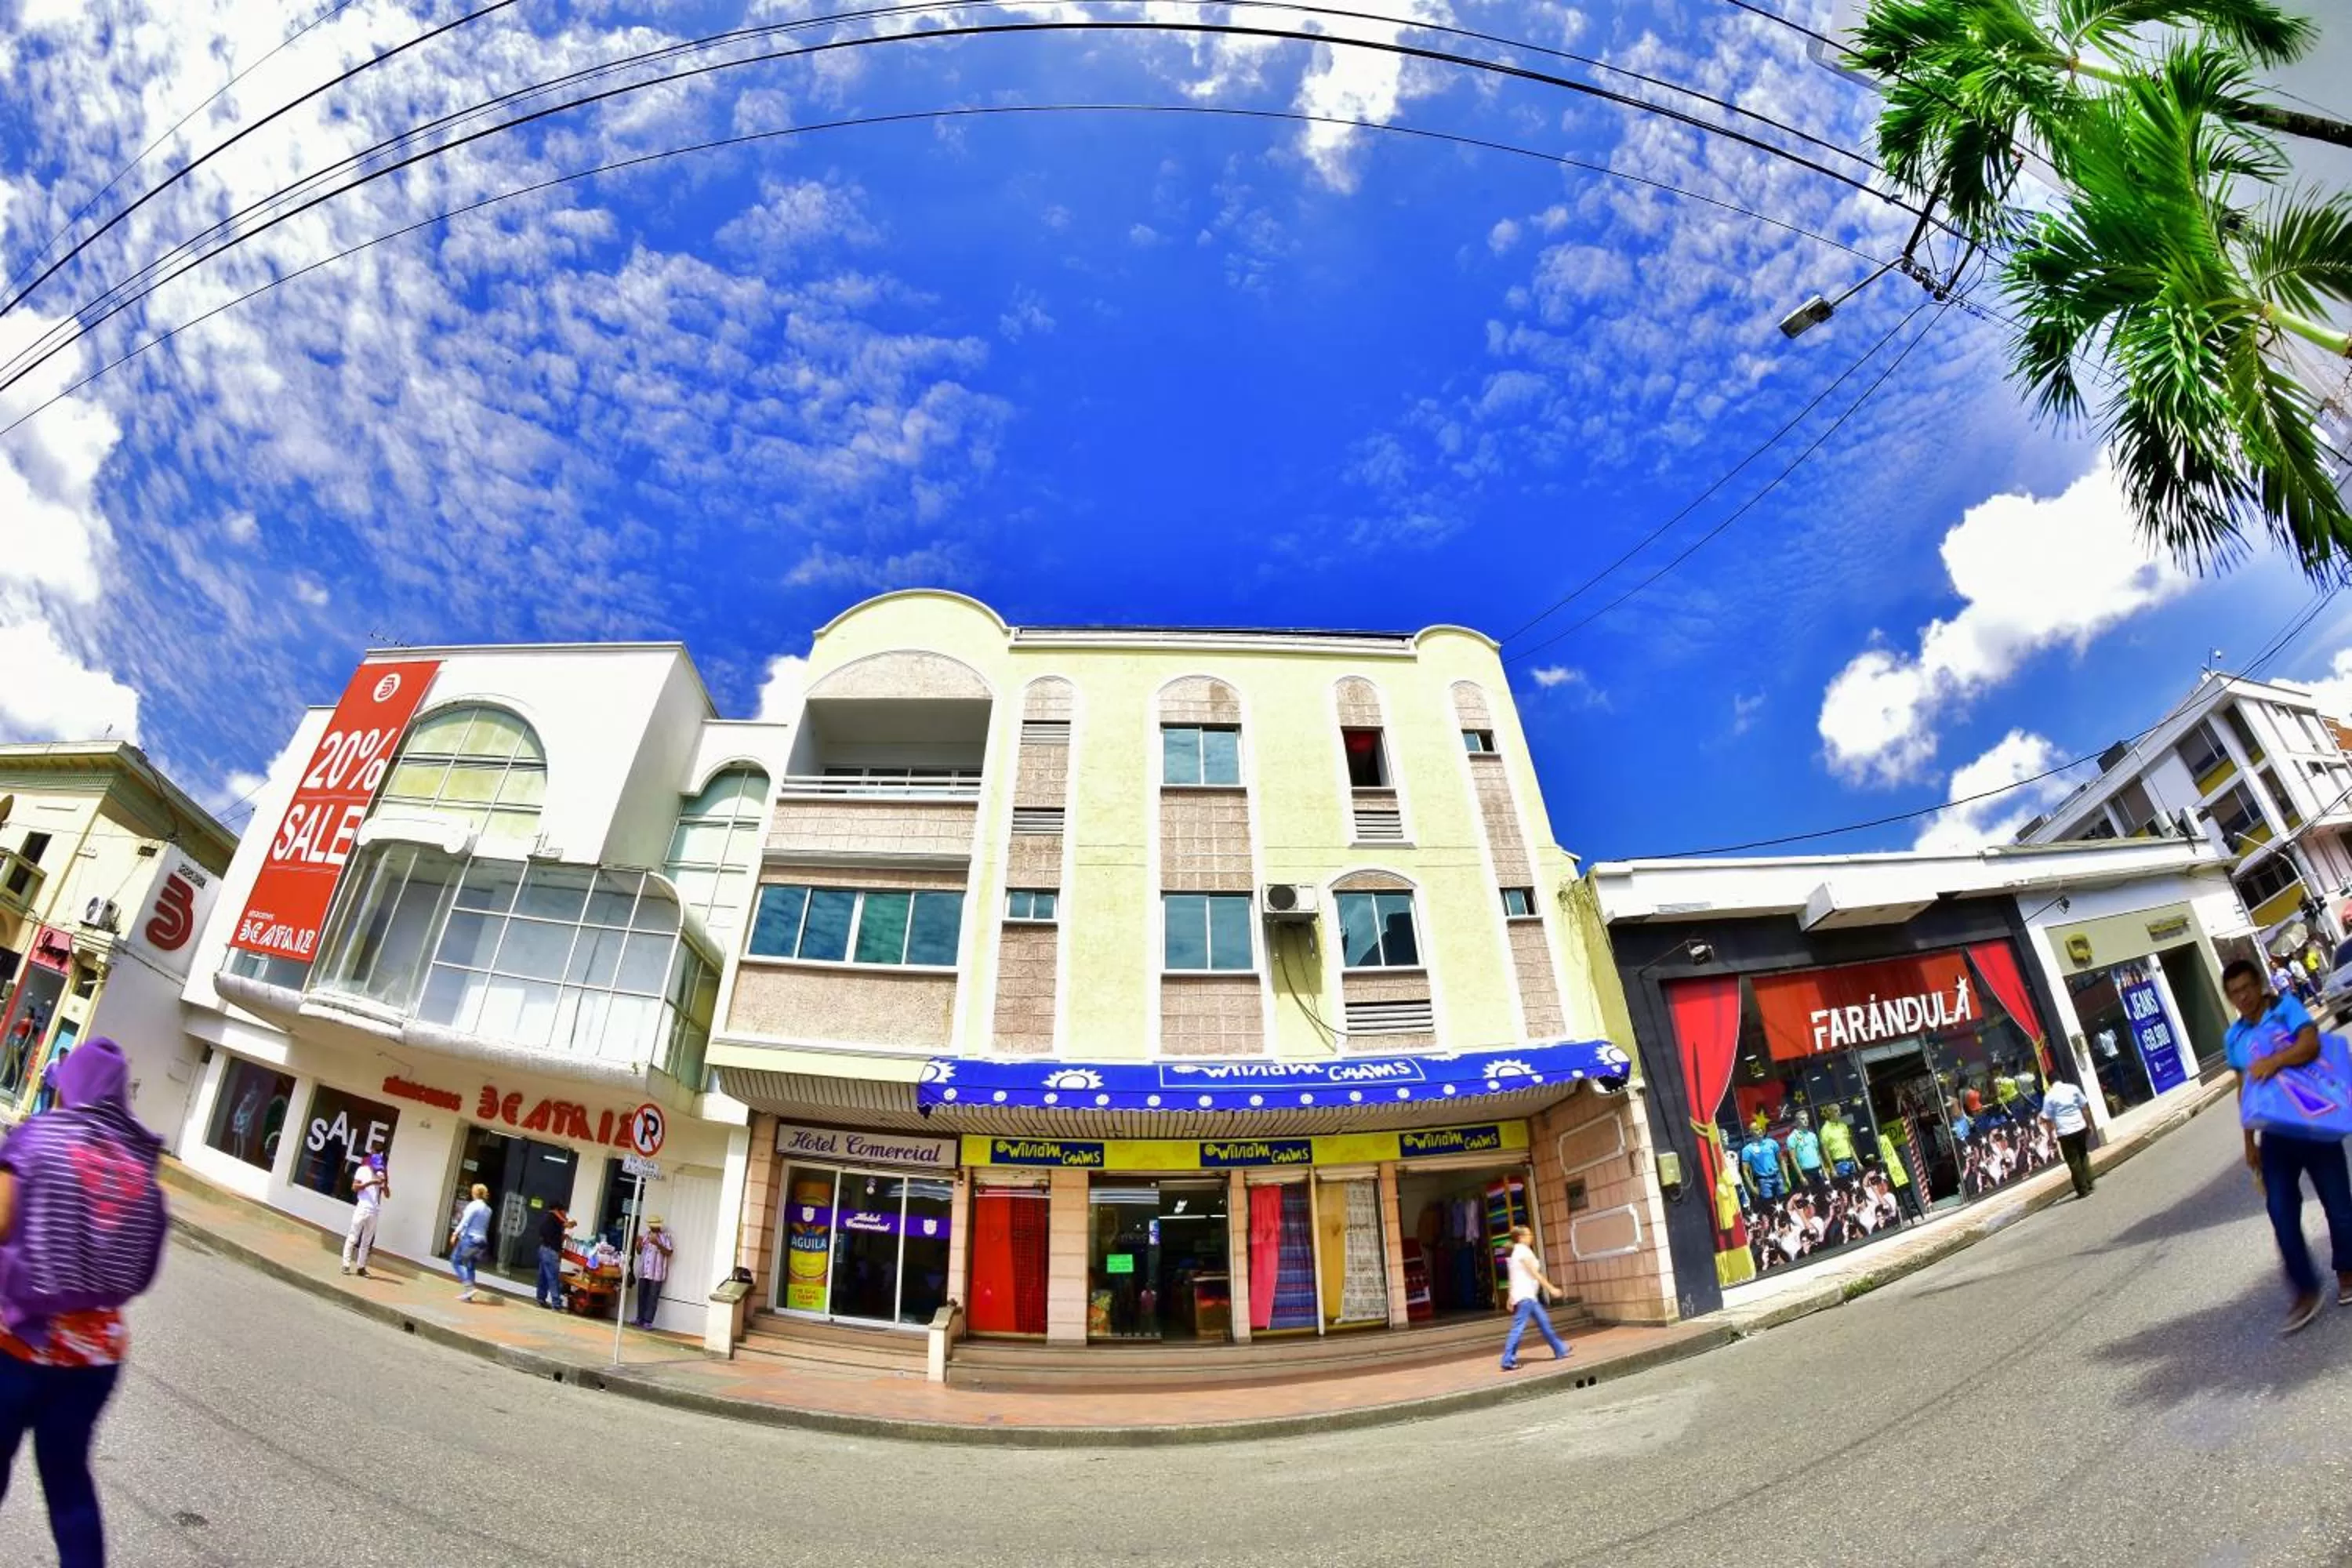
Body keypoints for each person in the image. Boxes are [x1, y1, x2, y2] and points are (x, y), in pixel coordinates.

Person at [0, 1038, 168, 1568]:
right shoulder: (141, 1169)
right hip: (96, 1355)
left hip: (19, 1344)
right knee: (69, 1483)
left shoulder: (40, 1139)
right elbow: (143, 1271)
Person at [2222, 958, 2352, 1334]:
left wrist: (2274, 1061)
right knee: (2280, 1212)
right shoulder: (2234, 1038)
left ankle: (2347, 1270)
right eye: (2235, 993)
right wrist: (2248, 1141)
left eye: (2247, 988)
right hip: (2275, 1133)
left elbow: (2310, 1045)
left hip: (2314, 1121)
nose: (2243, 997)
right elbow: (2242, 1087)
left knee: (2339, 1205)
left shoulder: (2285, 1009)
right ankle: (2306, 1291)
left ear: (2259, 984)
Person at [1497, 1225, 1569, 1370]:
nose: (1532, 1237)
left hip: (1528, 1296)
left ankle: (1560, 1349)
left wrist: (1510, 1297)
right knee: (1519, 1328)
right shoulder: (1523, 1252)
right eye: (1529, 1235)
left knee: (1544, 1322)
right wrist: (1551, 1288)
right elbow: (1534, 1274)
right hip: (1526, 1297)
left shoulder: (1516, 1252)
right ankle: (1507, 1360)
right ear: (1521, 1237)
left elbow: (1513, 1277)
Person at [2038, 1073, 2096, 1200]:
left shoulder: (2049, 1097)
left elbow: (2047, 1119)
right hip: (2080, 1127)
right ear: (2060, 1079)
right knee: (2083, 1155)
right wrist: (2089, 1125)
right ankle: (2090, 1183)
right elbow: (2085, 1108)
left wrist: (2051, 1137)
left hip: (2065, 1132)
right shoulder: (2073, 1088)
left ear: (2049, 1083)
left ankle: (2083, 1190)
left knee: (2073, 1162)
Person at [342, 1153, 387, 1277]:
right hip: (362, 1208)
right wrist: (370, 1183)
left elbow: (386, 1194)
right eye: (376, 1166)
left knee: (366, 1242)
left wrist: (385, 1184)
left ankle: (361, 1267)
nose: (377, 1169)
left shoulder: (380, 1174)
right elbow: (354, 1187)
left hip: (374, 1211)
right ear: (371, 1164)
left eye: (379, 1167)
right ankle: (346, 1264)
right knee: (353, 1237)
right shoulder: (362, 1170)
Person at [450, 1184, 492, 1303]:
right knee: (470, 1265)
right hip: (481, 1241)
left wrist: (455, 1233)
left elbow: (465, 1221)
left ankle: (469, 1288)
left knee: (456, 1260)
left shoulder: (473, 1206)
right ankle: (468, 1295)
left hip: (470, 1239)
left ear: (474, 1193)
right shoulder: (488, 1210)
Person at [633, 1216, 675, 1329]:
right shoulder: (646, 1235)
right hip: (644, 1271)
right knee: (642, 1295)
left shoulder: (665, 1237)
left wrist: (658, 1244)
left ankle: (648, 1321)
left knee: (653, 1297)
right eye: (651, 1225)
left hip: (657, 1273)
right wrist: (638, 1244)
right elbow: (639, 1252)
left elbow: (669, 1252)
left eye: (655, 1225)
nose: (652, 1227)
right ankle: (639, 1318)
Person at [535, 1206, 568, 1310]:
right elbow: (570, 1225)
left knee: (543, 1276)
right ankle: (556, 1303)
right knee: (553, 1278)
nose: (565, 1214)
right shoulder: (556, 1221)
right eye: (564, 1211)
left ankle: (541, 1299)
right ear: (559, 1210)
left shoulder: (545, 1218)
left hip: (543, 1248)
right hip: (551, 1251)